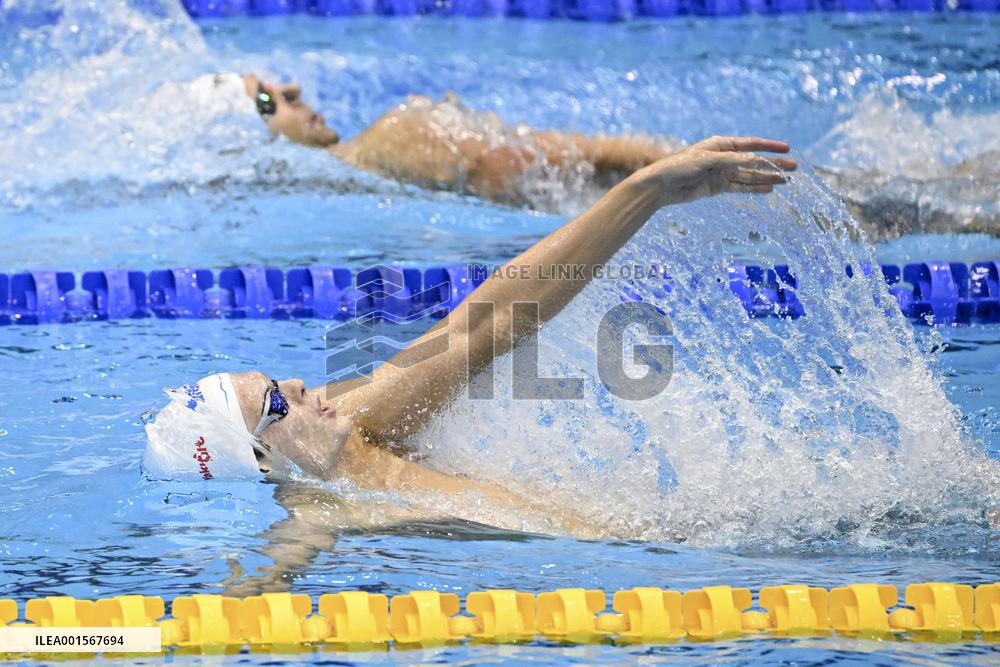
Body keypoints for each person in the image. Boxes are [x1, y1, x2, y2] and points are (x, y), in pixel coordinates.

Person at [144, 135, 797, 547]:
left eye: (276, 380)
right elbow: (243, 615)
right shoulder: (318, 519)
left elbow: (495, 318)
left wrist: (646, 190)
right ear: (262, 461)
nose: (297, 385)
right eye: (275, 404)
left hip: (688, 533)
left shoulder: (363, 419)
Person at [241, 73, 681, 208]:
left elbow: (568, 155)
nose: (292, 89)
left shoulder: (395, 133)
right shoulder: (383, 147)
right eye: (267, 98)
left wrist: (674, 165)